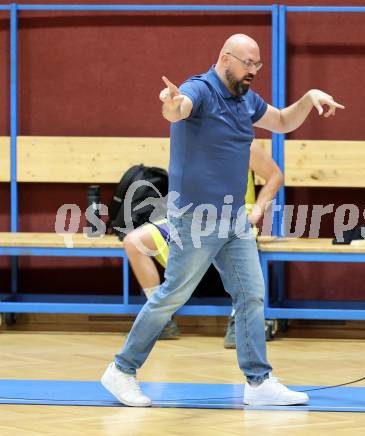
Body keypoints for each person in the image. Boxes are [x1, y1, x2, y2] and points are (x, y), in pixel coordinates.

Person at [102, 33, 344, 407]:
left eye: (257, 66)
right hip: (195, 220)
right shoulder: (198, 90)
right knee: (171, 297)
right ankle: (121, 370)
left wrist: (310, 98)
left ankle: (258, 382)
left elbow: (280, 121)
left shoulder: (246, 100)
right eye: (248, 64)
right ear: (225, 58)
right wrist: (171, 103)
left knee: (251, 297)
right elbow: (178, 108)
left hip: (234, 221)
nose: (253, 72)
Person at [122, 141, 283, 345]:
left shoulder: (244, 144)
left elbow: (275, 177)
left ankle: (240, 319)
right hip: (191, 220)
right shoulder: (190, 142)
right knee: (134, 241)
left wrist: (257, 211)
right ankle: (161, 320)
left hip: (233, 220)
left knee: (236, 253)